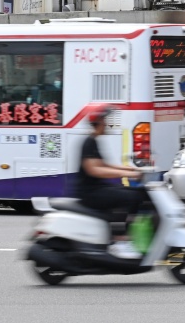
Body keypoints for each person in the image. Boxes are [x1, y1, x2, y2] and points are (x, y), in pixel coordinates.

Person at [73, 105, 147, 259]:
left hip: (97, 188)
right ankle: (120, 241)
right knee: (130, 198)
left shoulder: (94, 141)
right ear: (98, 122)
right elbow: (94, 169)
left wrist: (128, 169)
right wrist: (123, 173)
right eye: (105, 120)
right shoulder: (88, 142)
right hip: (90, 193)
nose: (107, 123)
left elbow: (103, 165)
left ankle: (121, 238)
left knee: (137, 193)